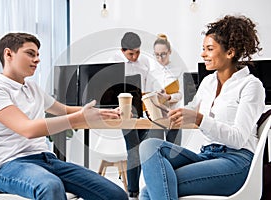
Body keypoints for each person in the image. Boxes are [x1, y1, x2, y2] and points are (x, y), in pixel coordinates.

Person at [0, 32, 128, 200]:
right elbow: (27, 129)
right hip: (9, 165)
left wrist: (100, 112)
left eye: (38, 55)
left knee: (116, 194)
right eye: (30, 53)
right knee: (50, 186)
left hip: (47, 160)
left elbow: (64, 110)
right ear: (8, 54)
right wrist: (79, 118)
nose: (37, 59)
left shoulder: (33, 88)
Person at [139, 15, 265, 200]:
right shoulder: (208, 82)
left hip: (236, 160)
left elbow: (238, 139)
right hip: (206, 155)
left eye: (209, 49)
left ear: (229, 52)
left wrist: (198, 119)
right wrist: (165, 107)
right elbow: (191, 108)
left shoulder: (250, 86)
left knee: (150, 189)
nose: (203, 54)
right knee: (149, 146)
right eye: (203, 49)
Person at [110, 32, 163, 199]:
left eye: (137, 52)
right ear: (122, 50)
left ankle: (146, 190)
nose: (135, 56)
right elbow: (109, 90)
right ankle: (133, 192)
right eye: (131, 53)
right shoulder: (114, 62)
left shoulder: (145, 62)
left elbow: (147, 85)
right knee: (133, 150)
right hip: (125, 112)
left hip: (143, 111)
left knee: (145, 150)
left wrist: (156, 92)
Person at [147, 33, 184, 145]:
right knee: (155, 149)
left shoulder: (178, 70)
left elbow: (181, 94)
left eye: (163, 54)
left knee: (174, 151)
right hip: (156, 116)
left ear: (170, 51)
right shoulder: (151, 73)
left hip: (174, 114)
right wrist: (154, 96)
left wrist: (168, 97)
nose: (160, 58)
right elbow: (146, 95)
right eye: (157, 55)